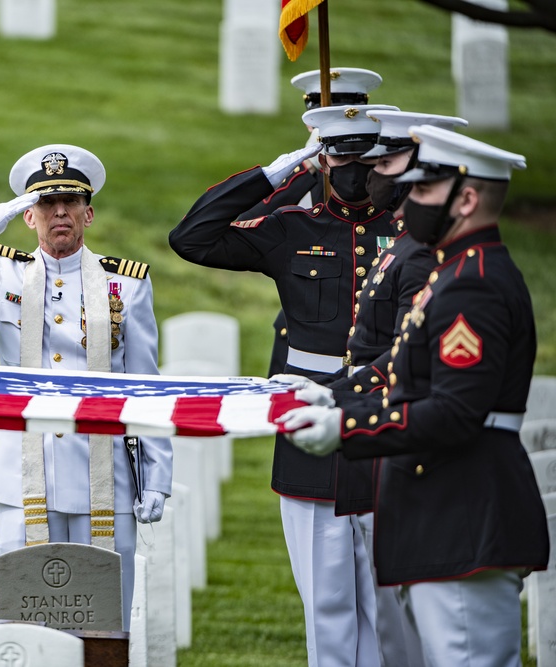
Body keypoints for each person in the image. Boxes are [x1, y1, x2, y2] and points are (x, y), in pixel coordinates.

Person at [279, 125, 550, 667]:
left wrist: (346, 430)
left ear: (467, 199)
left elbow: (455, 411)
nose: (408, 200)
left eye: (424, 191)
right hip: (440, 508)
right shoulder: (454, 272)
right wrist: (339, 401)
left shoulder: (472, 281)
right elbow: (410, 381)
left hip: (462, 506)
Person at [170, 104, 402, 666]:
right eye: (340, 156)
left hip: (386, 419)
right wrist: (283, 173)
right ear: (324, 159)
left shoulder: (406, 235)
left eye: (364, 158)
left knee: (389, 600)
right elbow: (192, 238)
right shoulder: (295, 228)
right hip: (307, 421)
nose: (352, 169)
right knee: (325, 598)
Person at [0, 144, 173, 626]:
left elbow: (144, 385)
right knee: (26, 619)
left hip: (104, 473)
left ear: (87, 213)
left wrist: (157, 476)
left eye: (70, 203)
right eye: (47, 204)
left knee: (103, 622)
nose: (59, 213)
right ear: (28, 217)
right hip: (20, 472)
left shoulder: (127, 284)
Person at [275, 109, 468, 667]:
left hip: (395, 440)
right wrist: (292, 170)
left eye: (387, 163)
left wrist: (336, 395)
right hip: (366, 432)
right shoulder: (398, 245)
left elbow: (412, 360)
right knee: (349, 612)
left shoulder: (432, 256)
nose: (372, 175)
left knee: (406, 625)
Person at [239, 67, 384, 378]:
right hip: (305, 338)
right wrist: (305, 168)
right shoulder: (297, 175)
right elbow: (242, 225)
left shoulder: (371, 178)